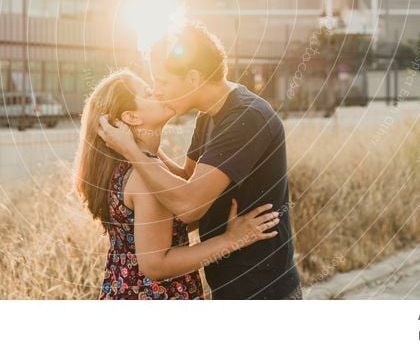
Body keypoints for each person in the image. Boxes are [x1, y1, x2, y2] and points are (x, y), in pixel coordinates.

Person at [98, 21, 303, 299]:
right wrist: (143, 146)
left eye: (164, 81)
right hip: (228, 283)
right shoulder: (208, 116)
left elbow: (190, 205)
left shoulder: (246, 118)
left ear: (193, 79)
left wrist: (133, 151)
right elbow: (184, 183)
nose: (158, 91)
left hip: (262, 287)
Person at [75, 68, 281, 300]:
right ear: (132, 117)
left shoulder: (134, 166)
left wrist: (141, 146)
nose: (159, 93)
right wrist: (231, 240)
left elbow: (167, 222)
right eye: (149, 93)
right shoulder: (146, 179)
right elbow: (156, 265)